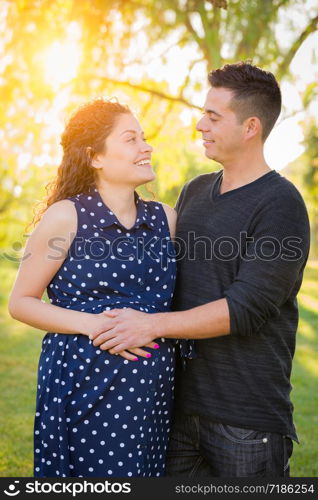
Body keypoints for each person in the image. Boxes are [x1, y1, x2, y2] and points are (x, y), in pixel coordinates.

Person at [89, 63, 311, 477]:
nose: (198, 124)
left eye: (213, 116)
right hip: (175, 409)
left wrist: (151, 325)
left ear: (250, 127)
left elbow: (244, 308)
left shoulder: (281, 205)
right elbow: (162, 279)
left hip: (245, 420)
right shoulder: (194, 191)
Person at [8, 98, 178, 477]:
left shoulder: (165, 218)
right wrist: (97, 325)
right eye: (131, 139)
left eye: (144, 138)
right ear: (95, 157)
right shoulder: (67, 216)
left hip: (153, 394)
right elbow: (21, 303)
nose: (146, 146)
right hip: (84, 385)